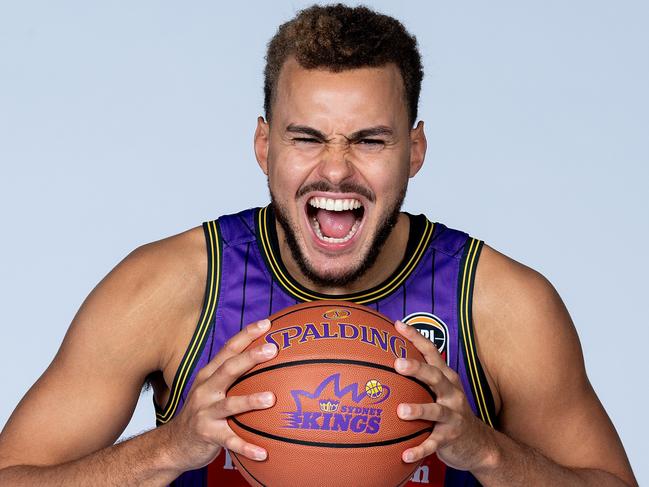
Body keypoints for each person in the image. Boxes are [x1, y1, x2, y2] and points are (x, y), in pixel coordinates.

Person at [0, 4, 637, 486]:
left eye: (369, 139)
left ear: (414, 151)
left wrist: (488, 450)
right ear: (264, 146)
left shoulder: (498, 304)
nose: (335, 171)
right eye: (307, 138)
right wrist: (166, 448)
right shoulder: (172, 287)